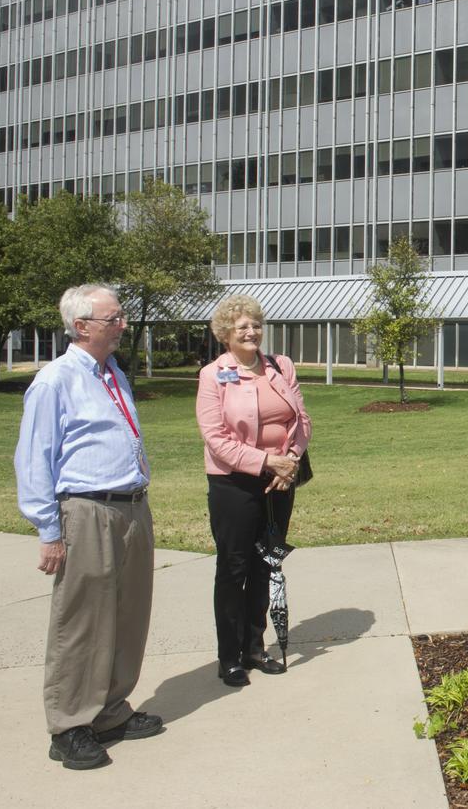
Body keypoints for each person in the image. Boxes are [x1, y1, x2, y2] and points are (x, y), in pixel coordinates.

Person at [14, 284, 162, 770]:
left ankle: (110, 711)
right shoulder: (55, 381)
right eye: (113, 318)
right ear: (82, 326)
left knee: (128, 613)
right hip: (86, 509)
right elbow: (35, 459)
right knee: (82, 621)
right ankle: (70, 724)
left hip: (131, 506)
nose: (122, 324)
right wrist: (49, 530)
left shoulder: (112, 372)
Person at [196, 294, 311, 687]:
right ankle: (229, 656)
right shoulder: (214, 374)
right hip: (233, 483)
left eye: (256, 324)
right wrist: (266, 462)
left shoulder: (281, 366)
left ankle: (254, 647)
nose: (251, 331)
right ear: (225, 334)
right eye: (242, 326)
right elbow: (216, 437)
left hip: (281, 480)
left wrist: (290, 460)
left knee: (267, 562)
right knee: (234, 567)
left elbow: (302, 421)